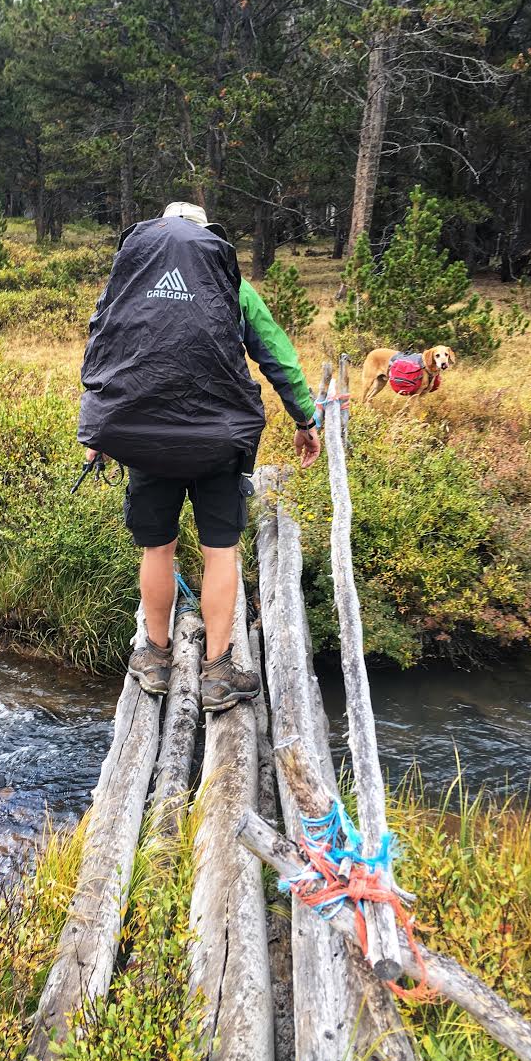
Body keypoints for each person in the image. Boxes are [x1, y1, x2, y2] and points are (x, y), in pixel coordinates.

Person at [78, 201, 321, 712]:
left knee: (157, 548)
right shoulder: (233, 286)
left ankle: (155, 657)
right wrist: (305, 422)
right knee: (220, 551)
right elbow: (277, 357)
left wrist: (99, 429)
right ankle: (219, 672)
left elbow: (103, 350)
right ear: (208, 236)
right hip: (218, 442)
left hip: (146, 439)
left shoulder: (133, 277)